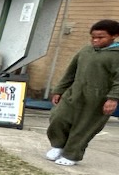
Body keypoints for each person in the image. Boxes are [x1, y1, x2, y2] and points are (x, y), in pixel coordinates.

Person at [45, 19, 119, 166]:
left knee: (84, 127)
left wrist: (113, 99)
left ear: (114, 36)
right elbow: (70, 72)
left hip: (98, 98)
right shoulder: (85, 51)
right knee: (58, 117)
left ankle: (72, 154)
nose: (95, 40)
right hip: (75, 93)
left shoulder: (116, 55)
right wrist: (59, 90)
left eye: (100, 37)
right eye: (93, 37)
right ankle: (58, 145)